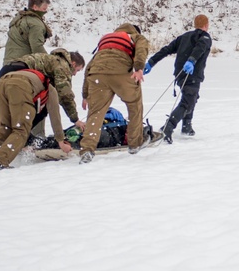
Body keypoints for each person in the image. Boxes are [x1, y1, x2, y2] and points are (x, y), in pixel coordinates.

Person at [0, 49, 85, 170]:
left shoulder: (48, 63)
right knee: (21, 130)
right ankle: (0, 161)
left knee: (6, 126)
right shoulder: (58, 73)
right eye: (77, 70)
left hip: (3, 81)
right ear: (73, 64)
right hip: (20, 85)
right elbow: (58, 109)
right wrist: (61, 140)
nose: (74, 74)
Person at [0, 0, 54, 132]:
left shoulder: (19, 19)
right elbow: (37, 48)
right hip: (24, 66)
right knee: (37, 97)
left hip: (8, 64)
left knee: (8, 97)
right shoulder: (35, 23)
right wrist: (51, 63)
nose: (46, 11)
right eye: (44, 7)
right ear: (35, 6)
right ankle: (36, 135)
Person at [78, 23, 150, 164]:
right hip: (121, 72)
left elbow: (89, 67)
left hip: (97, 75)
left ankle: (87, 149)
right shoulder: (135, 36)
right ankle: (135, 143)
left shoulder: (106, 40)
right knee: (134, 105)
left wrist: (85, 95)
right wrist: (139, 68)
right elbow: (142, 49)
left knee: (95, 113)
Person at [144, 14, 212, 143]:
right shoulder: (205, 37)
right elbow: (200, 48)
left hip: (180, 73)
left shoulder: (184, 37)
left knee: (192, 98)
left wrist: (152, 61)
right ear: (206, 25)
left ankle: (187, 126)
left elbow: (167, 49)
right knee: (188, 102)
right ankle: (168, 127)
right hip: (191, 73)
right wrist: (191, 61)